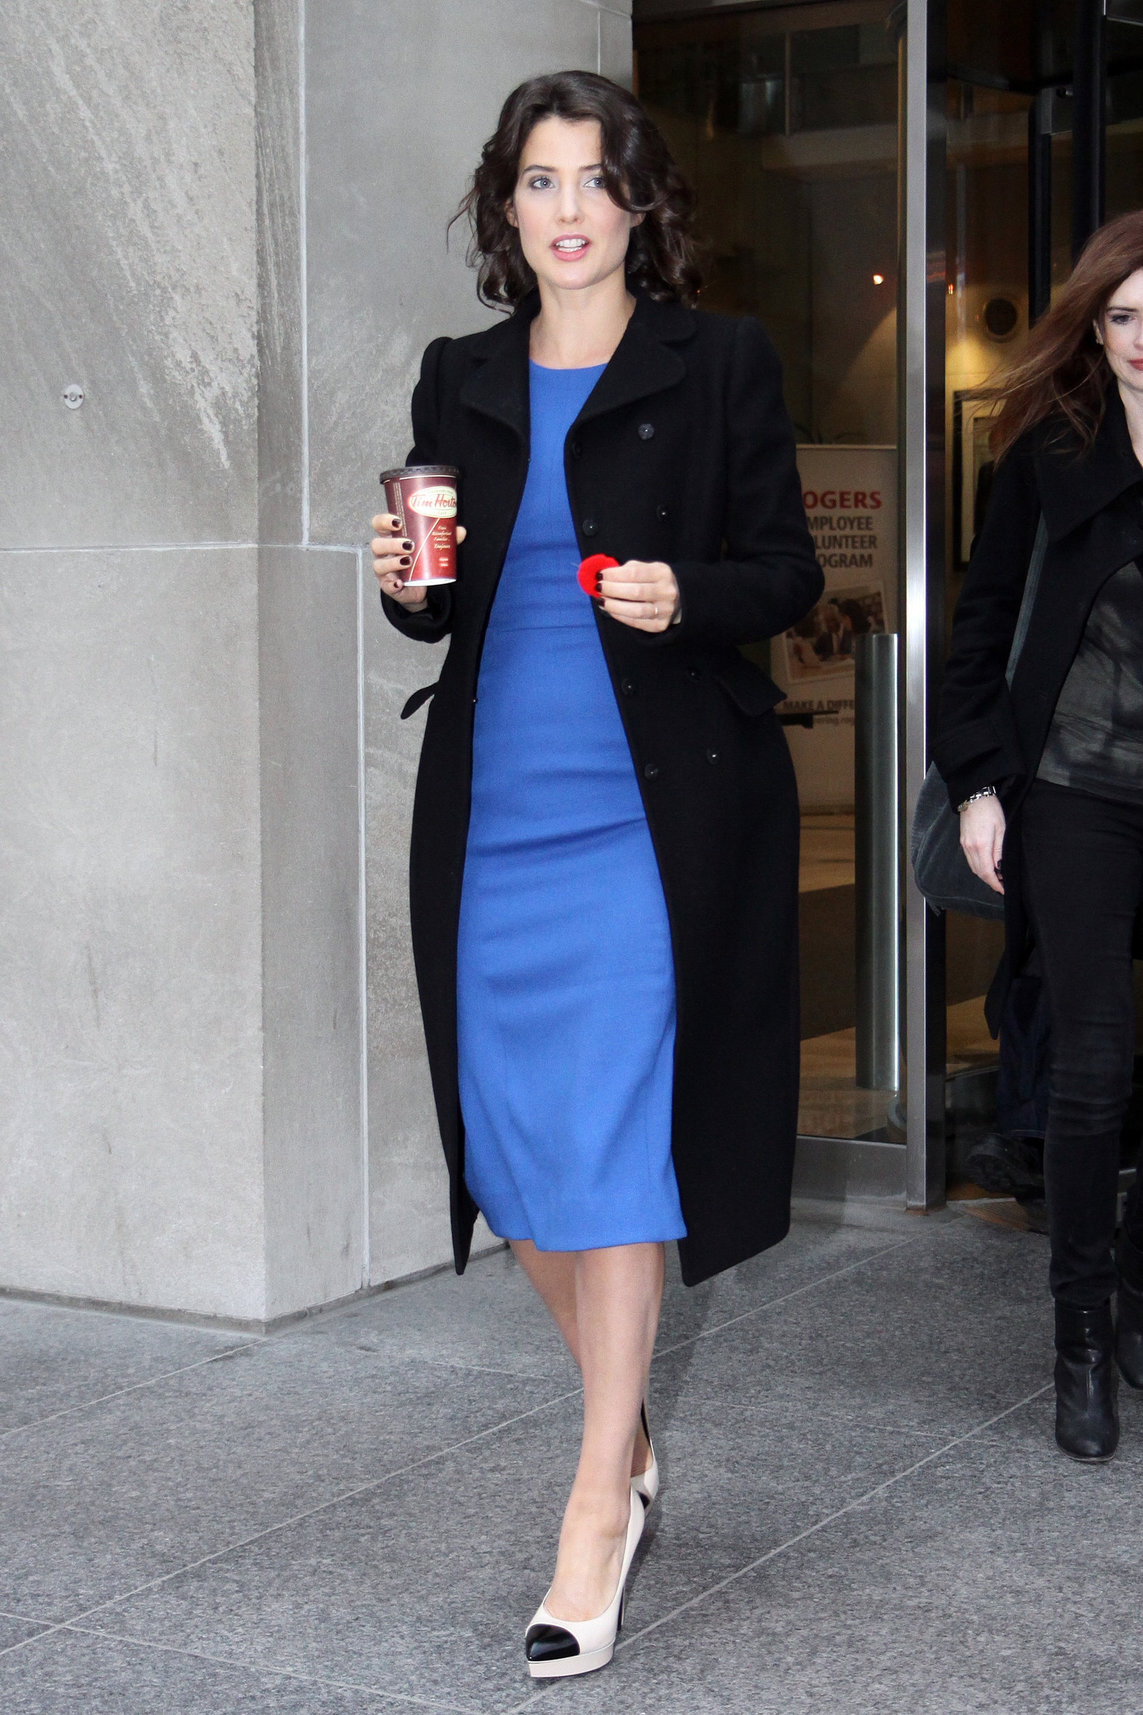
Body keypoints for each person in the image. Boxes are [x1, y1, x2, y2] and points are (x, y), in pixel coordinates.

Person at [370, 71, 821, 1678]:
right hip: (495, 811)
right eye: (538, 181)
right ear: (506, 207)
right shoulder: (462, 374)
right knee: (511, 1158)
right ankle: (624, 1435)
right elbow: (439, 600)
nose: (566, 209)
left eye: (592, 178)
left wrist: (684, 592)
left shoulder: (718, 361)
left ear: (639, 201)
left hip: (650, 813)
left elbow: (785, 571)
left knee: (615, 1148)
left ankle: (590, 1508)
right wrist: (402, 583)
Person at [935, 210, 1143, 1463]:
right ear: (1095, 325)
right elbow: (983, 618)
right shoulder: (1051, 449)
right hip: (1076, 790)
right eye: (1123, 316)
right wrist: (978, 780)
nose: (1142, 339)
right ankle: (1080, 1339)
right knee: (1092, 1060)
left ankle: (1133, 1280)